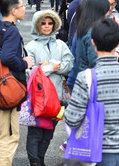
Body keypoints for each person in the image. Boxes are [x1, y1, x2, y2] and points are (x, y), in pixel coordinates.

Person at [65, 18, 119, 165]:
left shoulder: (86, 78)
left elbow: (72, 119)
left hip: (99, 153)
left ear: (93, 42)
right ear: (118, 43)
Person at [0, 0, 33, 166]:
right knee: (10, 136)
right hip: (8, 88)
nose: (24, 9)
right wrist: (24, 63)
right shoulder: (11, 30)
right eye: (22, 6)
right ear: (14, 10)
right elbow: (8, 57)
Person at [25, 10, 74, 166]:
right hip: (38, 97)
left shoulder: (60, 44)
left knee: (49, 132)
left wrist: (53, 65)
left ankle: (40, 159)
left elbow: (69, 65)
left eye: (50, 23)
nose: (46, 26)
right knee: (35, 131)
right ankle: (35, 161)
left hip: (57, 97)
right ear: (37, 25)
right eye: (43, 23)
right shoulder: (30, 46)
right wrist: (51, 67)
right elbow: (29, 71)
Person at [66, 0, 111, 91]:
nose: (108, 14)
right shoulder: (92, 32)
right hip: (89, 84)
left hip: (78, 80)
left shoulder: (83, 27)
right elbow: (94, 61)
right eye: (107, 11)